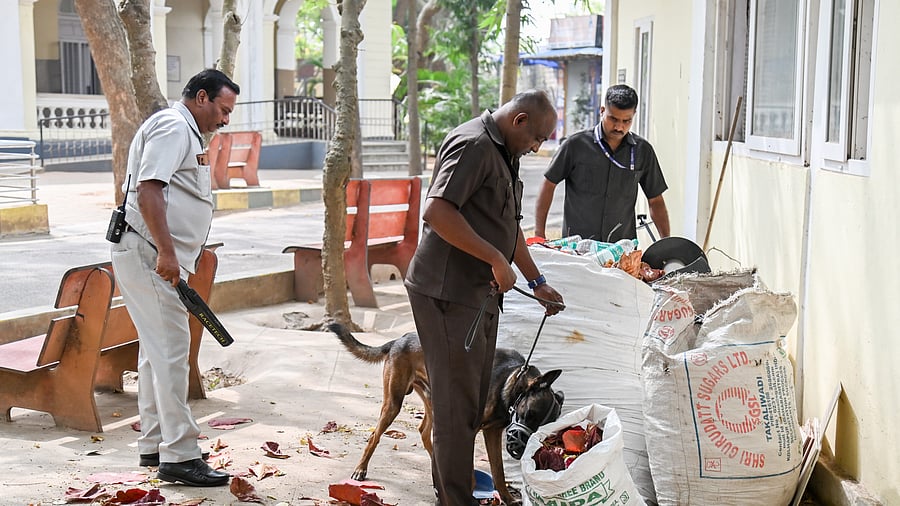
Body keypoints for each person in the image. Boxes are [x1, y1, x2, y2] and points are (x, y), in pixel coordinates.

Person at [404, 90, 566, 505]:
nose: (537, 147)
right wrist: (495, 259)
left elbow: (506, 227)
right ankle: (455, 499)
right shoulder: (473, 143)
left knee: (473, 405)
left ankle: (456, 493)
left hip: (478, 296)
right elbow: (437, 211)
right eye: (538, 137)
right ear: (520, 120)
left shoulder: (504, 153)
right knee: (456, 408)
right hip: (446, 292)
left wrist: (536, 281)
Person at [110, 69, 239, 487]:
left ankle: (155, 443)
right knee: (170, 350)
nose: (225, 119)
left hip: (152, 253)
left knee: (156, 351)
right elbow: (149, 191)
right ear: (201, 97)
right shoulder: (173, 126)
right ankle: (181, 455)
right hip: (149, 253)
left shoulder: (187, 132)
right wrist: (167, 252)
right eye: (222, 110)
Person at [534, 84, 670, 243]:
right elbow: (548, 185)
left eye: (627, 121)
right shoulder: (575, 145)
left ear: (634, 115)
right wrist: (539, 234)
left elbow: (656, 201)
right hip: (578, 247)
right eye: (613, 119)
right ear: (602, 110)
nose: (619, 127)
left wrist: (666, 244)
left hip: (621, 250)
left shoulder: (642, 151)